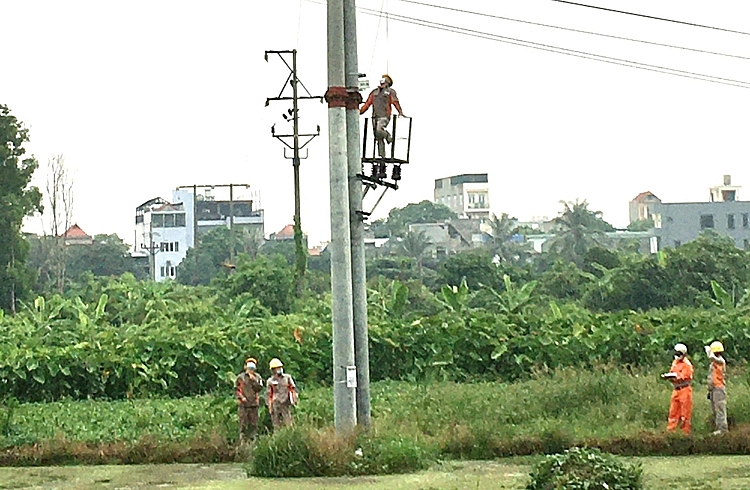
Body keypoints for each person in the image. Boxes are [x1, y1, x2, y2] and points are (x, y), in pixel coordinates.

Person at [360, 74, 405, 158]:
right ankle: (382, 155)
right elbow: (367, 103)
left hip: (384, 115)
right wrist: (359, 112)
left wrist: (400, 111)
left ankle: (388, 136)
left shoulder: (390, 92)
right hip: (375, 116)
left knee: (379, 130)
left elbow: (395, 102)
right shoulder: (374, 92)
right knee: (377, 136)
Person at [661, 343, 694, 435]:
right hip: (676, 390)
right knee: (673, 412)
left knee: (685, 413)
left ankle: (685, 433)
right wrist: (668, 376)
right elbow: (672, 372)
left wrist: (675, 376)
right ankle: (671, 431)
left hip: (685, 390)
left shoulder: (687, 365)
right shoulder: (675, 362)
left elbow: (684, 376)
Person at [235, 356, 264, 442]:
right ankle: (242, 442)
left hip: (254, 404)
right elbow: (236, 390)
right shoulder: (240, 377)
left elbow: (260, 388)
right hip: (243, 405)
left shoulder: (258, 377)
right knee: (243, 425)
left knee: (253, 425)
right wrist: (241, 398)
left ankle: (253, 442)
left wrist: (254, 380)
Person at [266, 358, 297, 429]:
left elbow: (292, 388)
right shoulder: (270, 381)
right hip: (275, 404)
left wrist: (294, 399)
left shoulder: (287, 377)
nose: (279, 369)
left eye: (280, 367)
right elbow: (269, 394)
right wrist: (270, 407)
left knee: (288, 422)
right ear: (273, 370)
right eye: (276, 368)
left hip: (285, 402)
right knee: (276, 424)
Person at [705, 341, 728, 434]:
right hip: (713, 389)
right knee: (715, 409)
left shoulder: (720, 361)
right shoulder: (713, 363)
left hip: (719, 388)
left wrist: (708, 351)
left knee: (720, 409)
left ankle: (722, 429)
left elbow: (711, 357)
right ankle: (718, 428)